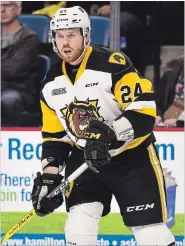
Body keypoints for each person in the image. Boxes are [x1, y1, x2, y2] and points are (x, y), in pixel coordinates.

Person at [31, 6, 175, 246]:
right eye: (60, 35)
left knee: (151, 234)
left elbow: (144, 110)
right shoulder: (49, 83)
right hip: (85, 159)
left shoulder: (112, 64)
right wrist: (49, 178)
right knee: (78, 230)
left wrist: (110, 135)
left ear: (86, 35)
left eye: (72, 34)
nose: (65, 42)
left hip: (131, 156)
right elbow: (55, 137)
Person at [1, 1, 40, 126]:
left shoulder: (30, 38)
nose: (2, 10)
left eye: (8, 5)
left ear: (18, 9)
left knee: (8, 100)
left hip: (18, 89)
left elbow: (14, 70)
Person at [155, 56, 184, 127]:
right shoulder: (169, 77)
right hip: (167, 128)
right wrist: (157, 115)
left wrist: (178, 119)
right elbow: (156, 102)